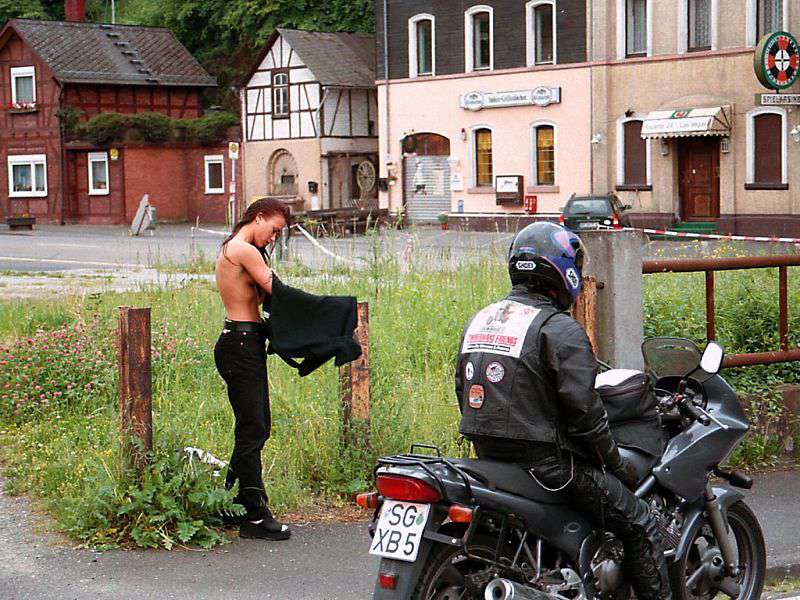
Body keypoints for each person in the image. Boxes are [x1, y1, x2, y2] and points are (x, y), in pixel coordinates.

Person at [455, 222, 670, 600]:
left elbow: (462, 387)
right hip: (550, 468)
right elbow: (585, 415)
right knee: (640, 523)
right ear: (563, 270)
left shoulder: (481, 319)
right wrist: (615, 465)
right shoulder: (560, 330)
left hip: (489, 460)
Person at [214, 197, 291, 541]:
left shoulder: (240, 249)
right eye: (273, 230)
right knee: (254, 429)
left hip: (244, 343)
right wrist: (327, 313)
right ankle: (255, 516)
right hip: (241, 345)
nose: (273, 238)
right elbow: (279, 292)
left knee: (253, 427)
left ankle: (231, 503)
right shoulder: (242, 249)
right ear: (258, 218)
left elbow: (264, 298)